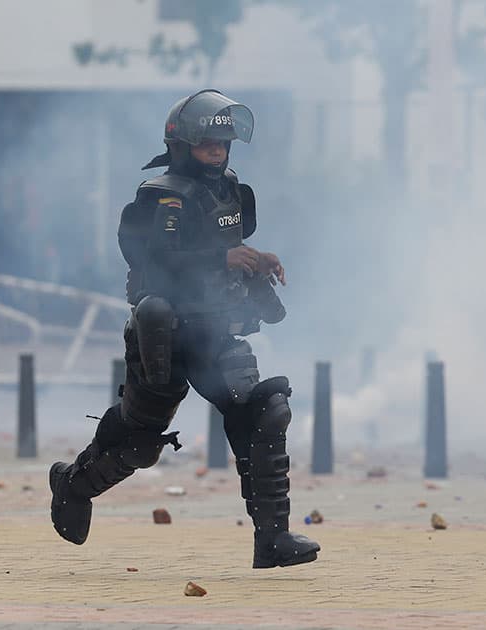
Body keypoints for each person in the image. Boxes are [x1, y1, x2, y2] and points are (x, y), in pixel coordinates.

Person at [49, 90, 319, 568]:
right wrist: (222, 257)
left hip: (215, 331)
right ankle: (71, 484)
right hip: (165, 332)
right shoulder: (160, 195)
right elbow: (152, 259)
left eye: (223, 143)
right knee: (139, 440)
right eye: (206, 144)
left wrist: (257, 263)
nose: (217, 152)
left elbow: (233, 249)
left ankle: (272, 540)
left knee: (264, 413)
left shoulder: (235, 191)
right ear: (182, 145)